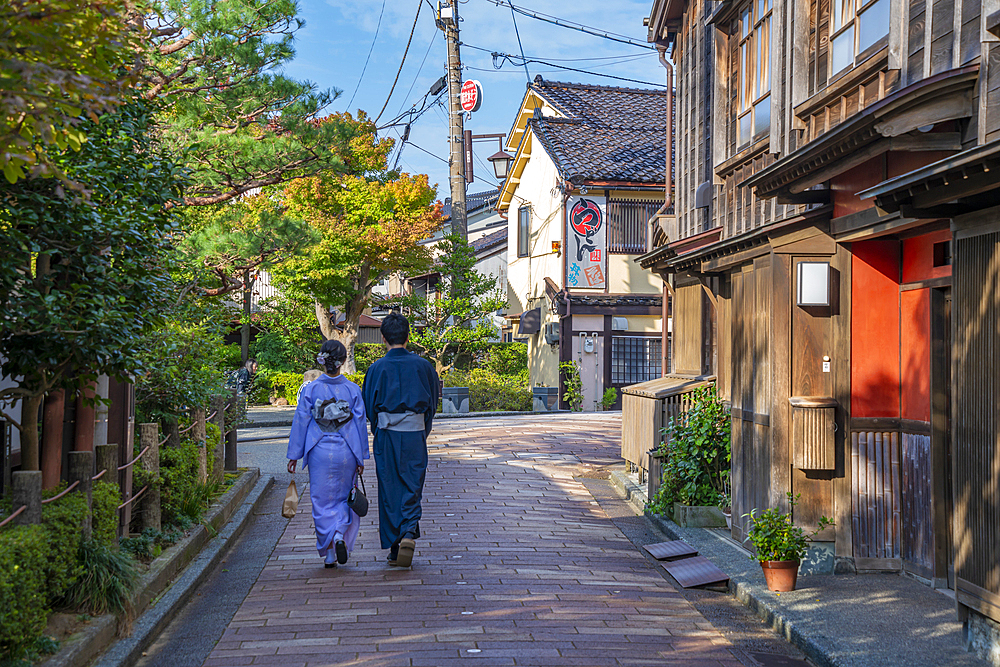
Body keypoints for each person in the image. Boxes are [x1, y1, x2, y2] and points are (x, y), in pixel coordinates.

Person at [362, 312, 439, 567]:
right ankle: (408, 531)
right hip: (414, 432)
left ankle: (396, 545)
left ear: (383, 338)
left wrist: (379, 429)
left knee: (389, 487)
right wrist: (421, 431)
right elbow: (432, 405)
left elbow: (369, 407)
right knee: (413, 484)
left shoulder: (375, 369)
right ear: (408, 336)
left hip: (386, 433)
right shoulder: (423, 366)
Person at [286, 341, 369, 568]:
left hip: (319, 450)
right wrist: (361, 457)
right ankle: (340, 533)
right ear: (342, 362)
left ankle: (330, 551)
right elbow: (360, 425)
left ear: (323, 360)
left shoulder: (311, 389)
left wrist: (294, 454)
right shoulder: (352, 390)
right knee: (344, 496)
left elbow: (301, 422)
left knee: (321, 501)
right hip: (346, 450)